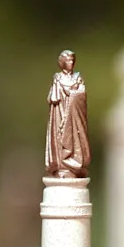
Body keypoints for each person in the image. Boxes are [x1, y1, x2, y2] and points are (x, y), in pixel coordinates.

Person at [45, 50, 91, 178]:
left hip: (74, 117)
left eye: (72, 60)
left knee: (74, 138)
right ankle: (61, 164)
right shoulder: (58, 79)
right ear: (62, 63)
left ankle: (74, 163)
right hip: (61, 114)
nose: (70, 63)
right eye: (68, 60)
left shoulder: (78, 78)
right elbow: (53, 99)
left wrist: (73, 94)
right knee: (60, 138)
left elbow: (82, 95)